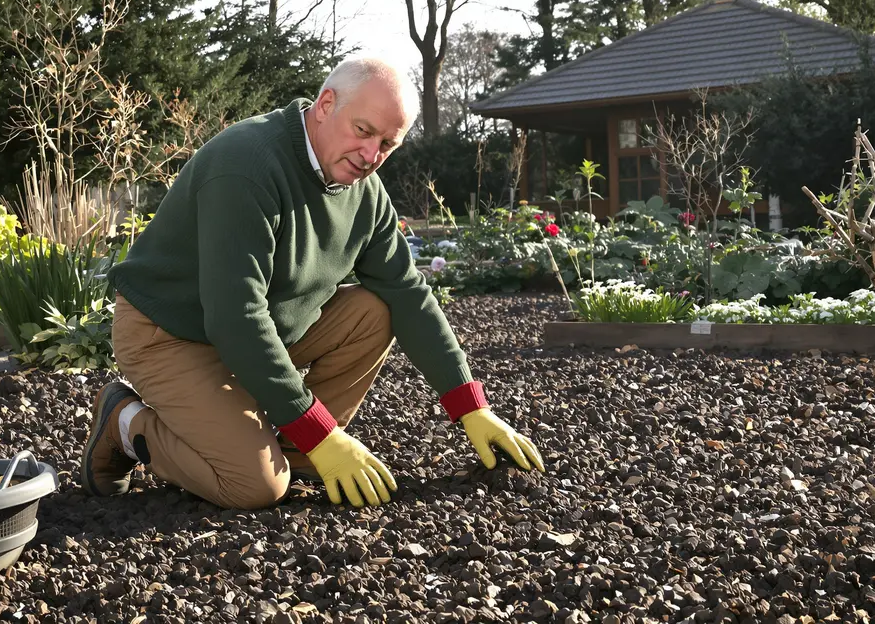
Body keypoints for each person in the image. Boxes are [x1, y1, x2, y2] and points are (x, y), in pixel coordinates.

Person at [80, 56, 545, 510]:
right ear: (325, 105)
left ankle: (300, 452)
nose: (371, 156)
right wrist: (320, 431)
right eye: (362, 131)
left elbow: (408, 294)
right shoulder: (245, 166)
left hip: (261, 332)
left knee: (375, 310)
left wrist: (470, 405)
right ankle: (124, 423)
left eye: (388, 143)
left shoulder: (364, 194)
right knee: (254, 487)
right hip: (170, 334)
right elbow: (236, 317)